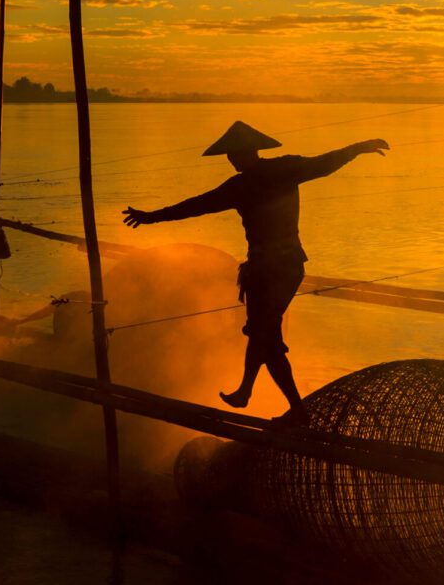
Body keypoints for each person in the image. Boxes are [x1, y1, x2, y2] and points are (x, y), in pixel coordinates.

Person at [123, 121, 389, 419]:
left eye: (233, 154)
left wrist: (152, 218)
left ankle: (259, 396)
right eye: (229, 156)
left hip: (268, 270)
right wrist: (358, 148)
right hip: (285, 267)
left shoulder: (248, 183)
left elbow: (197, 206)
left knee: (264, 334)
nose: (231, 160)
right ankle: (261, 397)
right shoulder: (279, 171)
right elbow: (324, 164)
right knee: (266, 336)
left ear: (247, 153)